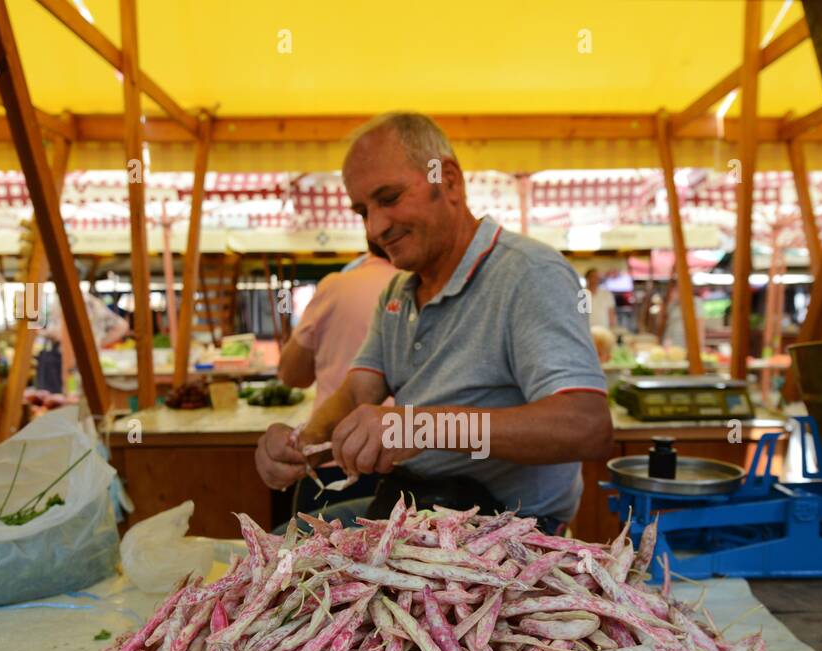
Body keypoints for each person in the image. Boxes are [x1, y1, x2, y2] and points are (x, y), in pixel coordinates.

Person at [254, 112, 612, 534]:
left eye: (388, 198)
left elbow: (586, 426)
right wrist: (304, 444)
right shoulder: (397, 293)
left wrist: (420, 426)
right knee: (274, 556)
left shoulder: (529, 273)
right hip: (413, 511)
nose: (375, 227)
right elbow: (357, 390)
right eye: (362, 210)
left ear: (450, 181)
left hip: (505, 536)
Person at [278, 241, 396, 518]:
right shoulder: (411, 289)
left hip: (336, 460)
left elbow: (291, 374)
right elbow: (359, 389)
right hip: (403, 466)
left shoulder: (337, 286)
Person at [584, 268, 617, 332]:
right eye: (593, 276)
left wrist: (613, 328)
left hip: (604, 330)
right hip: (587, 331)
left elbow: (611, 313)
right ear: (587, 278)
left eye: (597, 277)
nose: (595, 279)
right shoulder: (581, 294)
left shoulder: (606, 294)